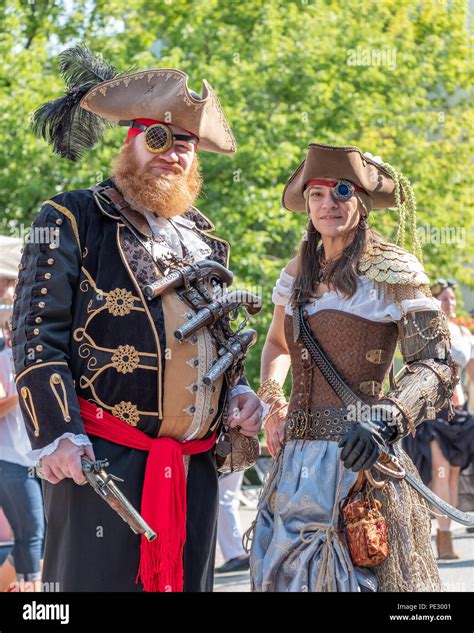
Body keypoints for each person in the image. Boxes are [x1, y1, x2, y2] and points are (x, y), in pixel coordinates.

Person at [12, 45, 262, 592]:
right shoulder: (70, 217)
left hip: (193, 467)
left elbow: (218, 343)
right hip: (100, 459)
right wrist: (56, 434)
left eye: (185, 146)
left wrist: (238, 394)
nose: (172, 154)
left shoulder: (205, 238)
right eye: (157, 139)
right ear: (129, 143)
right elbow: (35, 334)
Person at [249, 143, 457, 592]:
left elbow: (437, 364)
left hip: (359, 462)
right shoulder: (295, 271)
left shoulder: (394, 270)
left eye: (341, 191)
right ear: (306, 204)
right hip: (294, 463)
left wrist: (388, 416)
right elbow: (276, 344)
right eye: (317, 193)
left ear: (361, 203)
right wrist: (273, 402)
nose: (329, 204)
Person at [404, 278, 474, 558]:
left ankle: (446, 533)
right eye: (444, 298)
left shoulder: (464, 333)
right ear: (433, 301)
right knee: (439, 470)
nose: (450, 303)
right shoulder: (427, 329)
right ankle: (441, 536)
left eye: (453, 299)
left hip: (460, 413)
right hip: (433, 411)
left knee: (453, 473)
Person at [0, 281, 44, 592]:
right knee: (31, 533)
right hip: (10, 460)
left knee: (42, 535)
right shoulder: (3, 360)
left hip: (42, 458)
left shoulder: (44, 358)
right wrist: (21, 390)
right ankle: (36, 602)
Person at [215, 471, 250, 573]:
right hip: (234, 457)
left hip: (229, 456)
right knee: (225, 499)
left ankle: (237, 554)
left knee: (222, 500)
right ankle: (237, 553)